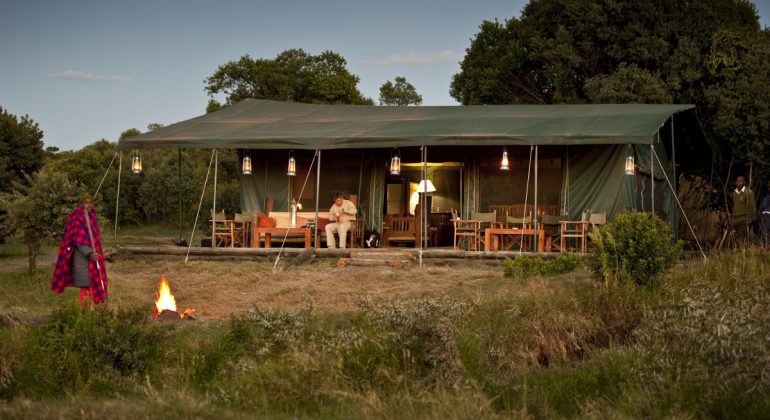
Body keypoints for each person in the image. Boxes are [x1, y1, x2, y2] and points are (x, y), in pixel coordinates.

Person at [51, 196, 109, 306]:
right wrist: (90, 253)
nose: (89, 205)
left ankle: (95, 307)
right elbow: (78, 240)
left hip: (93, 256)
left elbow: (93, 237)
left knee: (94, 283)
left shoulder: (91, 216)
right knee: (86, 285)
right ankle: (84, 309)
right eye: (86, 203)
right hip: (83, 259)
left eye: (90, 203)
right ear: (81, 203)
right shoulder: (78, 217)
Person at [731, 175, 756, 246]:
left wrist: (750, 218)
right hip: (735, 220)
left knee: (741, 242)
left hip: (744, 220)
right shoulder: (734, 192)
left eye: (740, 181)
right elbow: (735, 206)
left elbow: (752, 207)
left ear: (744, 183)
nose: (738, 183)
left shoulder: (748, 192)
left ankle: (743, 255)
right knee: (734, 242)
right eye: (737, 181)